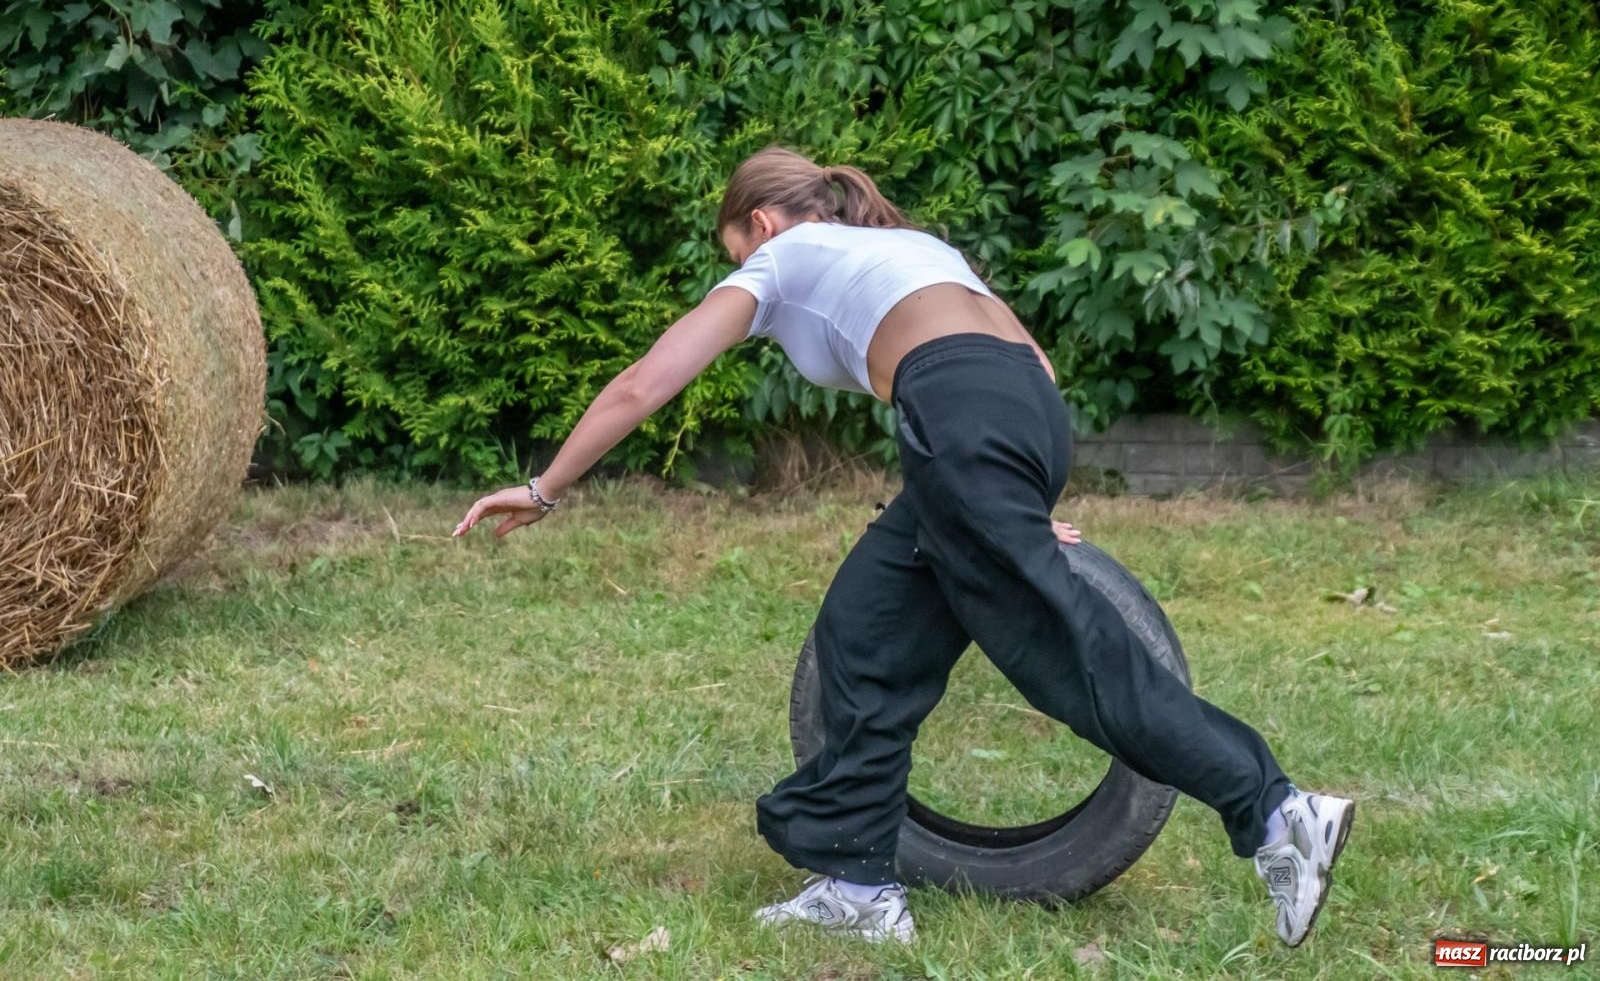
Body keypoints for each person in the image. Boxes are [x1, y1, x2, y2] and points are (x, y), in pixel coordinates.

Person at [451, 145, 1355, 948]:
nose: (740, 268)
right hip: (1012, 421)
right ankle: (857, 883)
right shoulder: (922, 250)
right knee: (865, 631)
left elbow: (646, 383)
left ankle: (1276, 810)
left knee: (1063, 654)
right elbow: (1031, 369)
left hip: (960, 423)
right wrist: (1010, 495)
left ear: (759, 223)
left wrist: (544, 486)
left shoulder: (785, 255)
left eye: (735, 249)